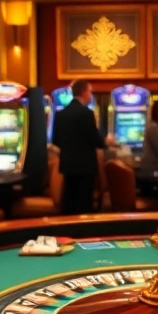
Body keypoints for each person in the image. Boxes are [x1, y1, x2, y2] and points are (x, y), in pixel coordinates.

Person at [52, 79, 110, 215]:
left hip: (68, 165)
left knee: (69, 201)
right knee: (83, 204)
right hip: (85, 167)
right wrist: (107, 141)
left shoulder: (61, 114)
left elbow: (56, 140)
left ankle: (67, 231)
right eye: (90, 91)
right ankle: (82, 233)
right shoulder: (87, 114)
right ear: (84, 92)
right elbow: (96, 141)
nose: (91, 95)